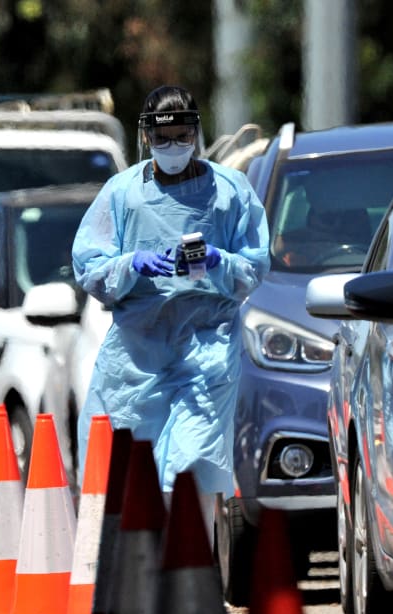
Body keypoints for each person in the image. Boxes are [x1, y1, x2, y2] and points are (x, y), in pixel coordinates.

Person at [71, 85, 270, 532]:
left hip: (208, 352)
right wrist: (132, 264)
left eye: (182, 136)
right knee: (129, 470)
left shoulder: (228, 191)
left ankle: (191, 578)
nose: (173, 147)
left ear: (197, 134)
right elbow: (90, 267)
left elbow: (254, 266)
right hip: (137, 358)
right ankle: (142, 578)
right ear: (146, 138)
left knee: (191, 466)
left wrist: (221, 261)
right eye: (164, 138)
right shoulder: (122, 194)